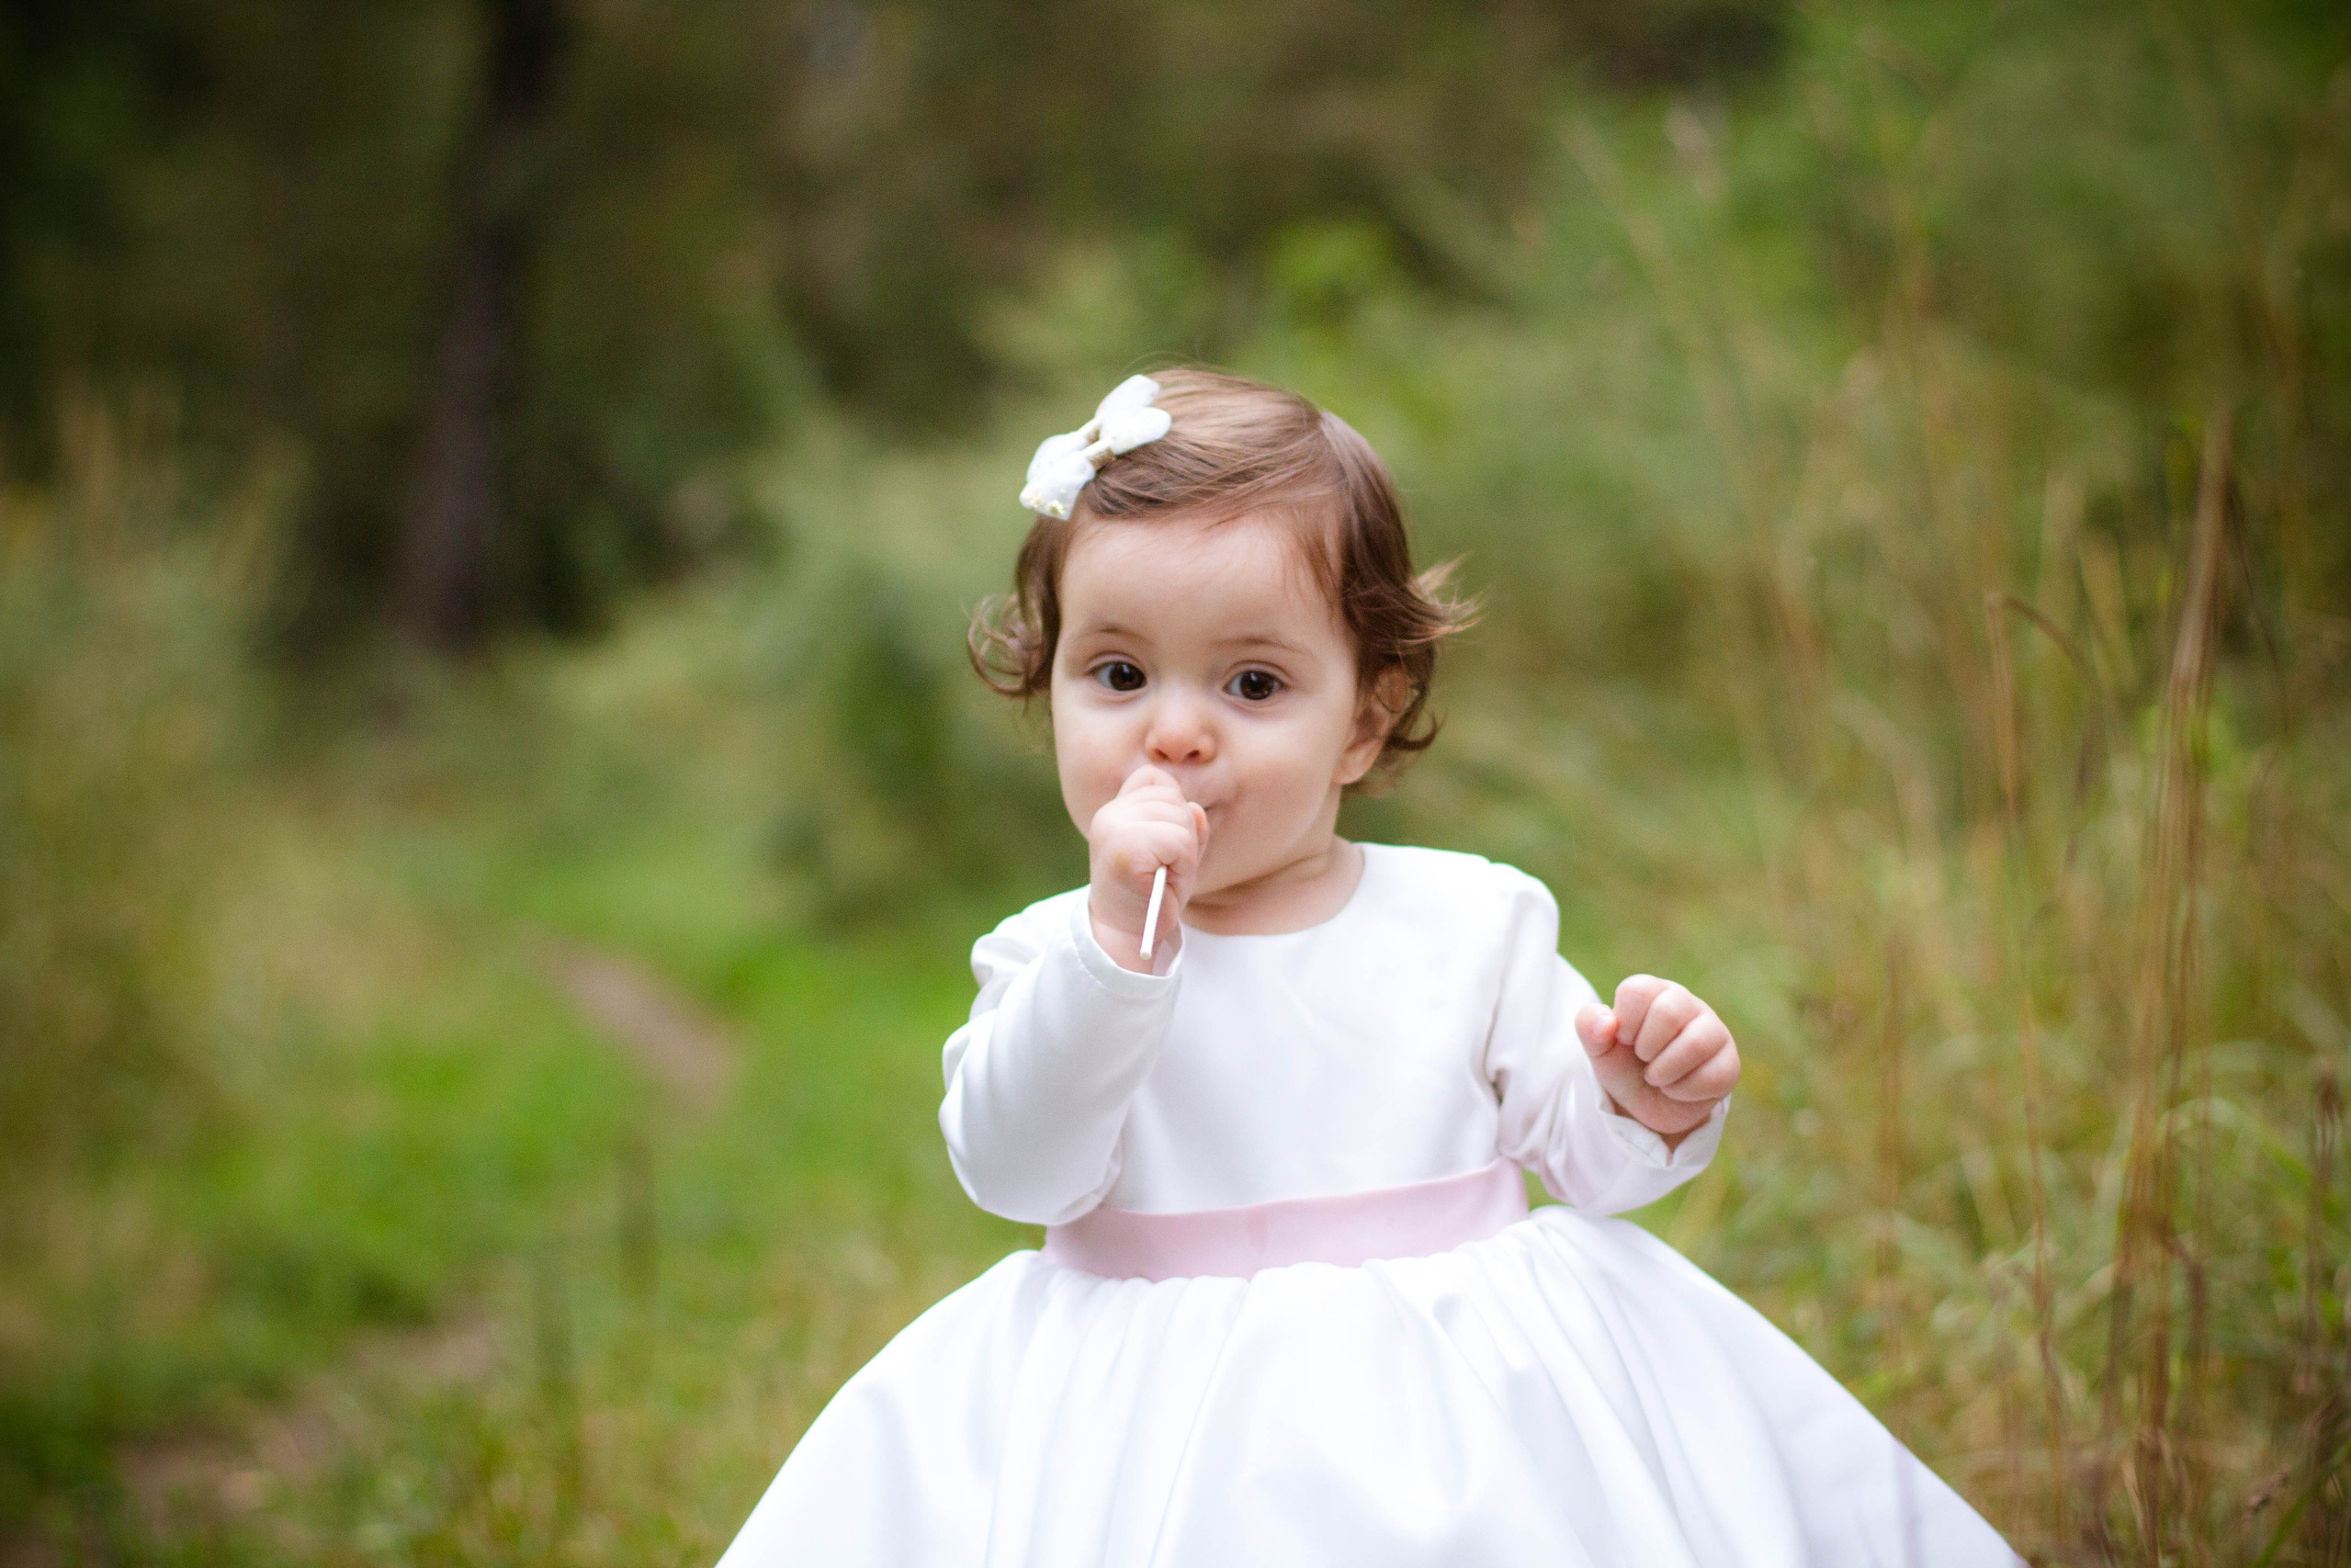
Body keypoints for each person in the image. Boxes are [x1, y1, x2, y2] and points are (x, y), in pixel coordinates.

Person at [717, 367, 2018, 1566]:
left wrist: (1643, 1101)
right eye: (1118, 673)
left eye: (1253, 683)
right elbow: (1020, 1169)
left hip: (1458, 1414)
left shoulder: (1472, 921)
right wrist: (1118, 952)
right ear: (1045, 686)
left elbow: (1586, 1166)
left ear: (1366, 718)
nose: (1174, 734)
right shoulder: (1057, 952)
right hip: (1158, 1429)